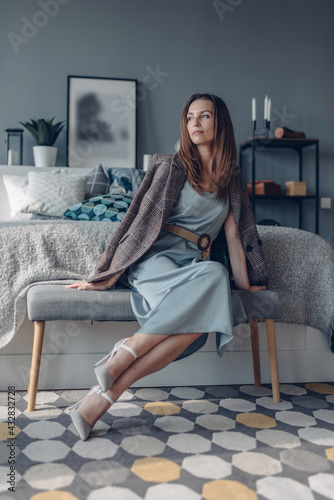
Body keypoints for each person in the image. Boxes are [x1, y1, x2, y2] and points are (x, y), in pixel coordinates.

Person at [66, 93, 268, 440]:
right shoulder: (170, 166)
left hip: (193, 263)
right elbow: (135, 220)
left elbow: (236, 238)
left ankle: (103, 393)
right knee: (207, 300)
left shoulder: (232, 179)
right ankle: (121, 357)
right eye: (190, 117)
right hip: (155, 258)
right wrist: (105, 274)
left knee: (212, 285)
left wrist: (248, 285)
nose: (195, 124)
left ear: (220, 124)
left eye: (204, 117)